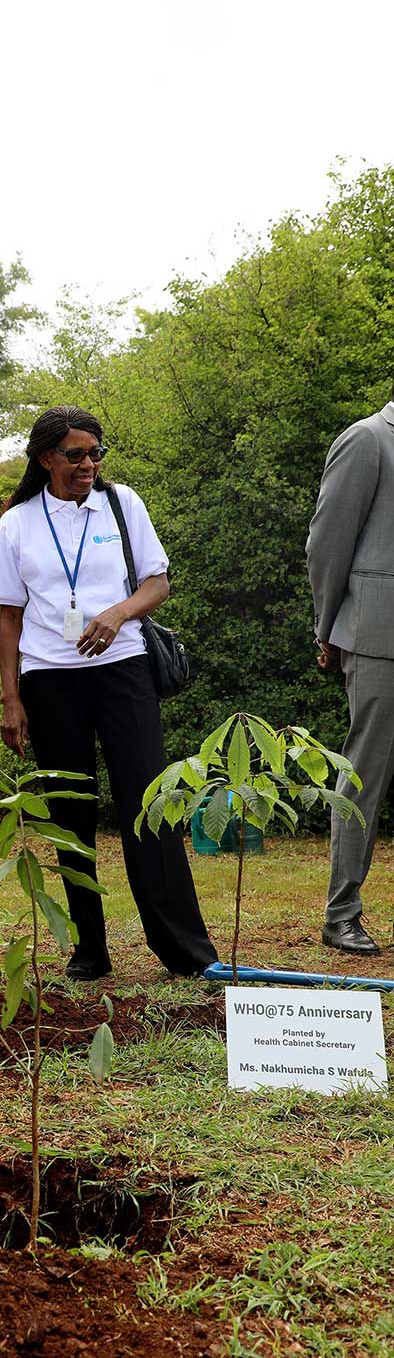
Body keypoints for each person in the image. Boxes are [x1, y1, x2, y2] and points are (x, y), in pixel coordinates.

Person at [0, 404, 217, 980]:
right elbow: (10, 616)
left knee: (149, 804)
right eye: (76, 454)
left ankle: (184, 950)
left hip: (123, 668)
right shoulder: (17, 521)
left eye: (96, 453)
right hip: (48, 678)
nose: (88, 463)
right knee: (71, 813)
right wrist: (11, 699)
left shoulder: (122, 503)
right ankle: (90, 947)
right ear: (46, 459)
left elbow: (158, 581)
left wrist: (117, 614)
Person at [306, 389, 394, 955]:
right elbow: (327, 543)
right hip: (380, 636)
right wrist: (327, 624)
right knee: (366, 772)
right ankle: (342, 914)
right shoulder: (368, 439)